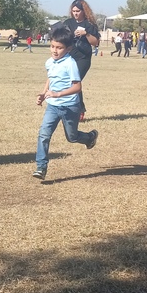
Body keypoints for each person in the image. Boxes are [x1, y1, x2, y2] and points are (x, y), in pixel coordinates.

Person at [33, 26, 98, 181]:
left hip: (70, 107)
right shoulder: (49, 62)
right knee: (43, 134)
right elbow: (51, 78)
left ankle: (89, 137)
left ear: (68, 49)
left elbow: (77, 86)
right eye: (52, 46)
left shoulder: (70, 64)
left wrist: (58, 93)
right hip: (53, 106)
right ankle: (41, 167)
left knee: (72, 137)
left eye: (59, 48)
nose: (55, 51)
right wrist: (44, 93)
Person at [61, 0, 100, 118]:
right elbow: (61, 38)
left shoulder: (89, 25)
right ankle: (76, 108)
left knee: (74, 81)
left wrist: (86, 34)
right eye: (73, 11)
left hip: (83, 58)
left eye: (78, 11)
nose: (75, 13)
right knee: (69, 82)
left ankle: (79, 111)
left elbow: (96, 43)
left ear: (84, 11)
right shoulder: (68, 23)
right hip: (69, 57)